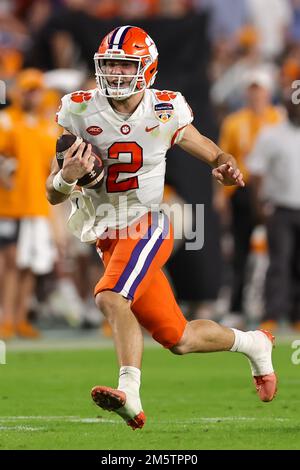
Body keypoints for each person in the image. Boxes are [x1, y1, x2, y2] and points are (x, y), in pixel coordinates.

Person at [46, 25, 277, 430]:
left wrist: (222, 160)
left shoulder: (166, 108)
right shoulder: (79, 109)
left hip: (148, 222)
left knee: (111, 297)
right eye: (110, 64)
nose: (116, 73)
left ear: (147, 69)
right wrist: (68, 176)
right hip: (106, 235)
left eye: (125, 64)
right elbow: (53, 193)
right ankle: (254, 343)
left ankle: (130, 395)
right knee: (179, 338)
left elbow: (200, 142)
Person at [216, 70, 282, 328]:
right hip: (241, 191)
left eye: (260, 89)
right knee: (240, 252)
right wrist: (220, 195)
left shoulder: (280, 119)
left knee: (280, 252)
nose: (256, 94)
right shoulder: (234, 121)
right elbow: (222, 157)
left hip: (272, 192)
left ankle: (275, 309)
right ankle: (236, 307)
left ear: (268, 92)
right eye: (252, 89)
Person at [247, 93, 300, 332]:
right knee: (279, 262)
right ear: (287, 107)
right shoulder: (272, 134)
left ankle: (297, 316)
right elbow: (256, 172)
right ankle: (272, 315)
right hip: (281, 208)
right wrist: (259, 206)